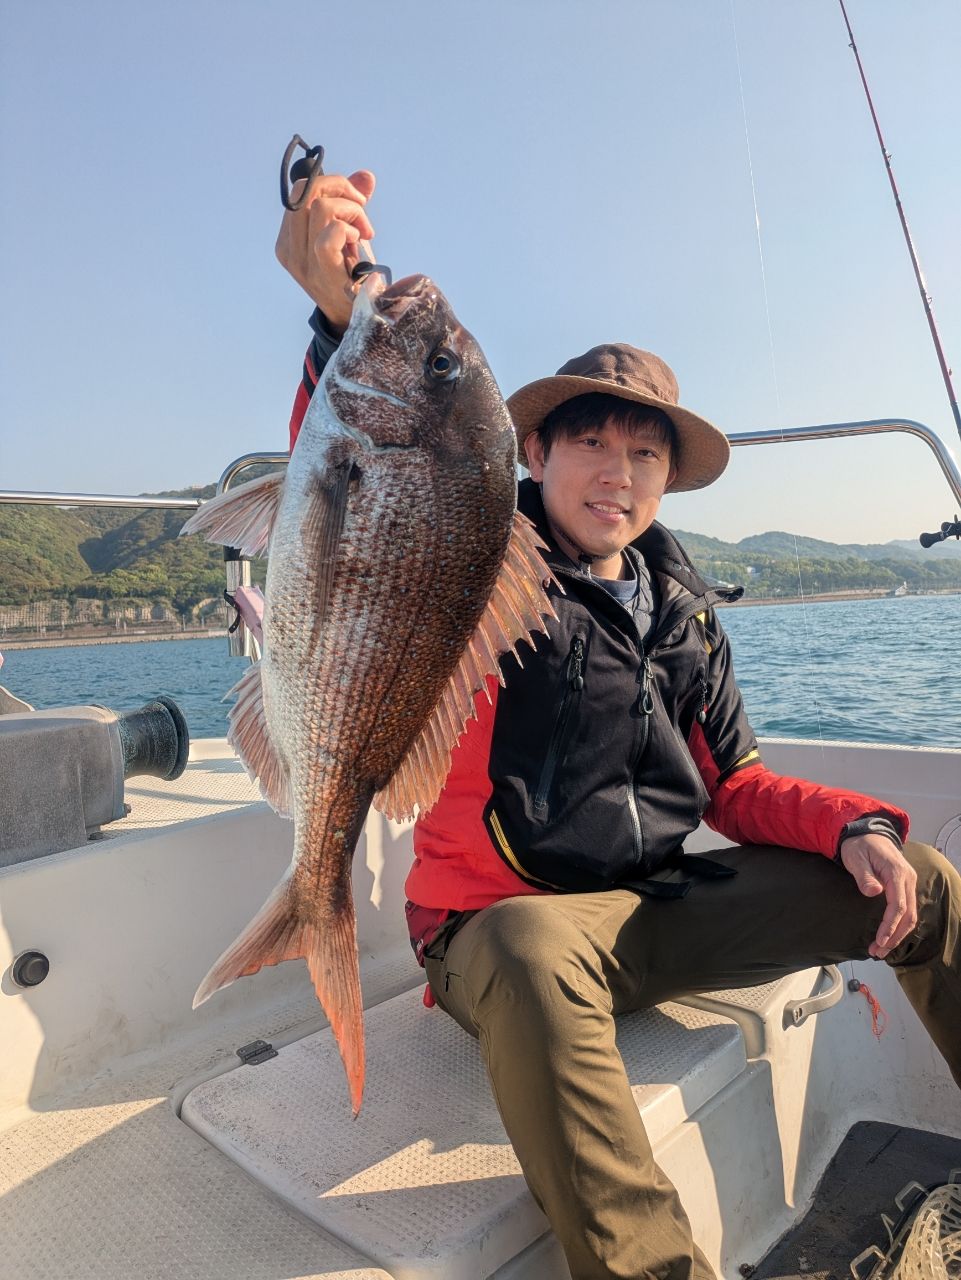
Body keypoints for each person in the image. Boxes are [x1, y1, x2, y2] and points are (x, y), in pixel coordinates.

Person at [276, 170, 961, 1280]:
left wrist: (853, 826)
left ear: (667, 481)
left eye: (644, 454)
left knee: (925, 877)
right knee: (529, 948)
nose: (617, 472)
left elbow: (735, 784)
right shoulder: (472, 565)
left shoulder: (681, 604)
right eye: (590, 442)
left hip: (652, 910)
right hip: (498, 932)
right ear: (532, 454)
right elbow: (359, 513)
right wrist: (334, 323)